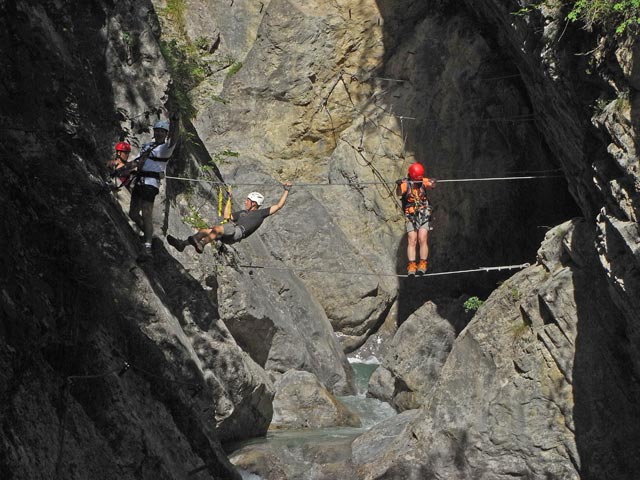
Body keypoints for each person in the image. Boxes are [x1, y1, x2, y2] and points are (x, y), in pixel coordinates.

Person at [167, 183, 292, 254]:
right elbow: (227, 216)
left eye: (248, 200)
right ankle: (182, 244)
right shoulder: (242, 213)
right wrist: (230, 199)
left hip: (237, 232)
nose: (246, 202)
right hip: (230, 232)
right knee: (204, 231)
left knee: (216, 229)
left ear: (254, 203)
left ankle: (202, 243)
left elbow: (278, 206)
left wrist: (286, 190)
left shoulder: (261, 213)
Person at [129, 116, 179, 256]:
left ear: (165, 134)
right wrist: (121, 170)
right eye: (157, 130)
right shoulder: (147, 146)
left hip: (150, 185)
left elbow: (174, 138)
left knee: (146, 214)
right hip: (140, 181)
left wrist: (176, 121)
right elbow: (137, 162)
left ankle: (148, 245)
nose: (158, 133)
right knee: (133, 213)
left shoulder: (165, 148)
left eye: (162, 131)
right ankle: (148, 234)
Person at [396, 162, 436, 276]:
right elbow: (399, 193)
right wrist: (399, 185)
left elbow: (431, 185)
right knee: (411, 239)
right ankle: (412, 264)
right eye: (417, 178)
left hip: (423, 213)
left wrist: (433, 182)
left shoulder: (422, 181)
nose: (419, 180)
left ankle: (423, 263)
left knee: (422, 238)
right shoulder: (406, 184)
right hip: (411, 215)